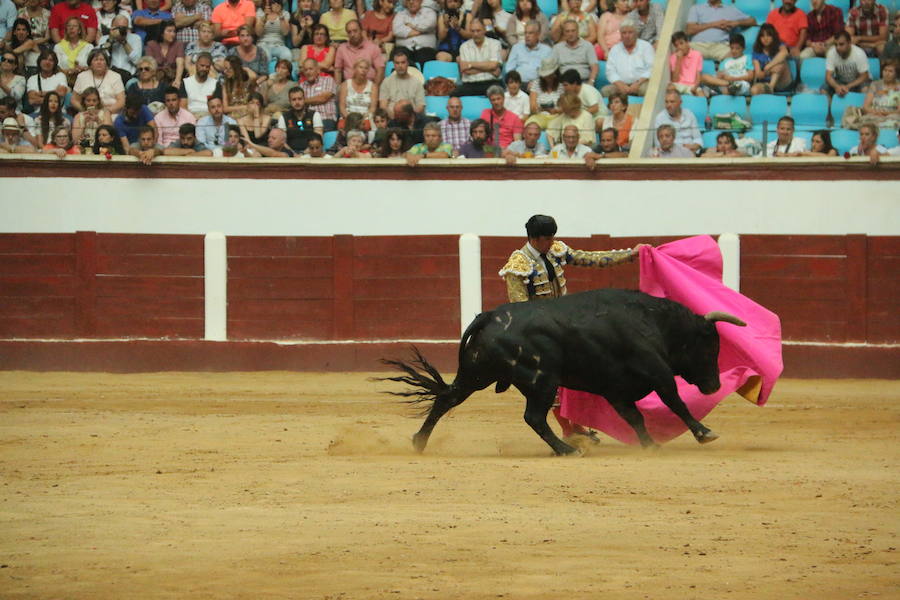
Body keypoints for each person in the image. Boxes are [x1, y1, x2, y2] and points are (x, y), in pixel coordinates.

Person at [498, 214, 644, 441]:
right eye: (547, 239)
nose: (551, 242)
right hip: (540, 334)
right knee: (552, 383)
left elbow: (590, 259)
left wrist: (629, 255)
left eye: (553, 237)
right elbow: (520, 310)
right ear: (534, 239)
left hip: (565, 326)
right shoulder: (518, 266)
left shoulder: (555, 250)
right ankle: (568, 429)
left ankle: (577, 425)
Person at [685, 0, 755, 61]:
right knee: (681, 51)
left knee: (738, 59)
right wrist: (715, 24)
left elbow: (752, 21)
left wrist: (736, 23)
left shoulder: (731, 10)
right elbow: (689, 30)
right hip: (698, 45)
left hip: (720, 47)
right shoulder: (696, 8)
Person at [602, 18, 653, 97]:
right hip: (621, 85)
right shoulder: (615, 49)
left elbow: (651, 68)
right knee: (605, 91)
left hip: (641, 84)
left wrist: (637, 83)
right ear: (620, 35)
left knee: (647, 90)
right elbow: (610, 71)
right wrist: (620, 84)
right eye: (624, 33)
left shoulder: (646, 46)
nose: (627, 36)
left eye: (630, 32)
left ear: (636, 33)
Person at [454, 18, 502, 97]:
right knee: (454, 95)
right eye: (473, 31)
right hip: (470, 84)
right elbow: (465, 70)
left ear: (484, 30)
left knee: (498, 93)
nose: (475, 34)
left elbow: (493, 65)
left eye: (478, 30)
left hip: (491, 82)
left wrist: (470, 65)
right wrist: (490, 69)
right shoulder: (464, 47)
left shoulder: (495, 44)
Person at [72, 48, 126, 114]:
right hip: (86, 113)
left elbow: (121, 101)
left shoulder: (116, 77)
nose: (99, 62)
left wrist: (106, 112)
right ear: (90, 63)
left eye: (102, 60)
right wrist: (84, 110)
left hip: (110, 113)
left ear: (106, 63)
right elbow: (74, 100)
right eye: (95, 60)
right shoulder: (81, 77)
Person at [274, 85, 323, 153]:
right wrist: (293, 154)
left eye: (300, 99)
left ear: (304, 99)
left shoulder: (315, 115)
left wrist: (304, 153)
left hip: (312, 153)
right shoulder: (283, 117)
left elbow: (319, 138)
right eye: (294, 99)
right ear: (290, 101)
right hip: (290, 154)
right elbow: (282, 141)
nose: (297, 102)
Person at [335, 19, 385, 85]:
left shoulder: (373, 47)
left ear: (361, 31)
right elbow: (338, 71)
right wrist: (338, 88)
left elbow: (380, 70)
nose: (352, 34)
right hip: (349, 87)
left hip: (369, 86)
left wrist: (374, 89)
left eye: (355, 31)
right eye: (349, 32)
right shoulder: (342, 48)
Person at [379, 47, 425, 117]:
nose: (400, 66)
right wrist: (395, 116)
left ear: (407, 63)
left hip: (410, 118)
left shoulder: (417, 83)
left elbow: (420, 106)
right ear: (394, 64)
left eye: (403, 62)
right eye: (397, 63)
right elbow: (383, 106)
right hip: (392, 119)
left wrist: (408, 116)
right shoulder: (386, 82)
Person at [505, 19, 551, 87]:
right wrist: (516, 83)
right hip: (518, 85)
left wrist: (536, 84)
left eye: (530, 33)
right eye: (525, 33)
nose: (527, 36)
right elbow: (509, 69)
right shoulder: (516, 48)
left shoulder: (547, 51)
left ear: (538, 34)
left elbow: (548, 72)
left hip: (539, 85)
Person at [96, 15, 142, 82]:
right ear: (112, 27)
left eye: (124, 28)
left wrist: (124, 42)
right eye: (119, 27)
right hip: (109, 76)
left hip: (129, 77)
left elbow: (137, 61)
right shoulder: (104, 39)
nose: (122, 30)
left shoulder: (135, 38)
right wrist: (110, 40)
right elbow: (100, 60)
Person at [825, 30, 871, 97]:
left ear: (849, 43)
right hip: (840, 81)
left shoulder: (859, 53)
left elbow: (864, 76)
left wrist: (848, 86)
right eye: (835, 45)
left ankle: (862, 107)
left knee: (865, 89)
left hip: (857, 82)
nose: (838, 47)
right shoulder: (831, 53)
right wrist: (837, 87)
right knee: (824, 89)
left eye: (841, 44)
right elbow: (828, 76)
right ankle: (830, 107)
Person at [750, 23, 793, 95]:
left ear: (773, 36)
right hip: (765, 82)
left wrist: (768, 66)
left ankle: (771, 87)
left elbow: (784, 53)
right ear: (759, 38)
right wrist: (768, 72)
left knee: (780, 63)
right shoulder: (756, 52)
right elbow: (759, 74)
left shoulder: (780, 45)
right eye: (762, 36)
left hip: (782, 82)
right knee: (754, 90)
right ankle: (769, 88)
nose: (765, 38)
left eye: (768, 35)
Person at [392, 0, 438, 66]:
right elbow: (397, 30)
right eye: (408, 0)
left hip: (426, 49)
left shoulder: (429, 12)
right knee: (400, 57)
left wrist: (411, 25)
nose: (411, 2)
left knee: (424, 57)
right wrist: (421, 31)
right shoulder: (400, 14)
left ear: (421, 1)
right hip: (403, 48)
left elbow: (429, 25)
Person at [551, 18, 597, 83]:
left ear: (578, 31)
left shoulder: (588, 46)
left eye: (573, 31)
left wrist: (591, 81)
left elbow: (594, 66)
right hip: (564, 83)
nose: (570, 34)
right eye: (567, 31)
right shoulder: (557, 48)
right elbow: (551, 68)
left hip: (583, 82)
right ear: (563, 32)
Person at [858, 60, 898, 129]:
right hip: (874, 115)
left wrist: (886, 113)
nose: (887, 73)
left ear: (896, 74)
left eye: (890, 71)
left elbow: (898, 111)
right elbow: (866, 106)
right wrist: (876, 112)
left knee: (894, 122)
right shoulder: (875, 84)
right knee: (865, 123)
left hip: (892, 116)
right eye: (885, 70)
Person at [300, 58, 337, 131]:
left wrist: (304, 101)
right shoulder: (301, 86)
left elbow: (322, 98)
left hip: (325, 118)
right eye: (306, 70)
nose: (308, 72)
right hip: (308, 120)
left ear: (318, 70)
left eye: (311, 69)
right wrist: (305, 101)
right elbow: (299, 103)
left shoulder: (328, 80)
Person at [481, 83, 523, 149]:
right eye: (493, 100)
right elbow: (481, 136)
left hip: (508, 151)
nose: (496, 102)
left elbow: (518, 143)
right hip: (489, 151)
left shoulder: (515, 118)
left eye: (498, 99)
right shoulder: (485, 114)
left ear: (503, 98)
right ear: (490, 101)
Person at [525, 56, 562, 129]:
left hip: (557, 116)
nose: (547, 77)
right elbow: (532, 107)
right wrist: (540, 108)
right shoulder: (536, 83)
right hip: (540, 115)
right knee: (529, 125)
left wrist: (555, 110)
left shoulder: (562, 85)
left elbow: (565, 107)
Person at [179, 51, 219, 115]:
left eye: (207, 67)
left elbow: (217, 107)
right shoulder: (185, 82)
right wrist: (192, 118)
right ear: (196, 64)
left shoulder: (215, 83)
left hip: (209, 116)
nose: (204, 69)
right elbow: (183, 107)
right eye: (202, 65)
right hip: (190, 116)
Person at [54, 17, 92, 84]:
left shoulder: (88, 47)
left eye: (75, 26)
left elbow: (92, 67)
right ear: (66, 29)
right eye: (69, 26)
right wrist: (68, 71)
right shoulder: (58, 47)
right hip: (63, 81)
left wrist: (82, 69)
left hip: (84, 81)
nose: (71, 28)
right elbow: (56, 68)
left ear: (79, 30)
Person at [669, 30, 705, 97]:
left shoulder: (697, 54)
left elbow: (698, 76)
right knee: (670, 88)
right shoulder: (673, 57)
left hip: (692, 85)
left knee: (701, 94)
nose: (679, 47)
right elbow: (674, 80)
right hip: (679, 84)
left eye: (681, 43)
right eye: (676, 45)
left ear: (687, 42)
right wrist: (678, 60)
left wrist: (695, 87)